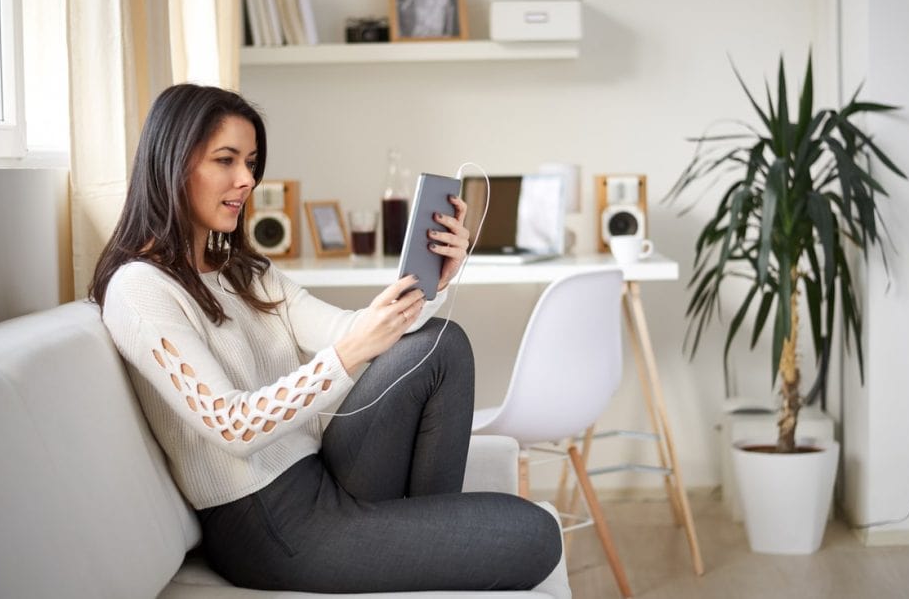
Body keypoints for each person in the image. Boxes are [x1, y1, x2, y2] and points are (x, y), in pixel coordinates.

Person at [89, 83, 561, 593]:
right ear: (172, 165)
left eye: (250, 162)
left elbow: (345, 331)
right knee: (537, 535)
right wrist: (351, 353)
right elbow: (230, 425)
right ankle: (422, 545)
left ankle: (423, 539)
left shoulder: (243, 271)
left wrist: (433, 282)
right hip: (270, 525)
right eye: (226, 160)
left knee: (439, 344)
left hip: (321, 472)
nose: (246, 179)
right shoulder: (139, 289)